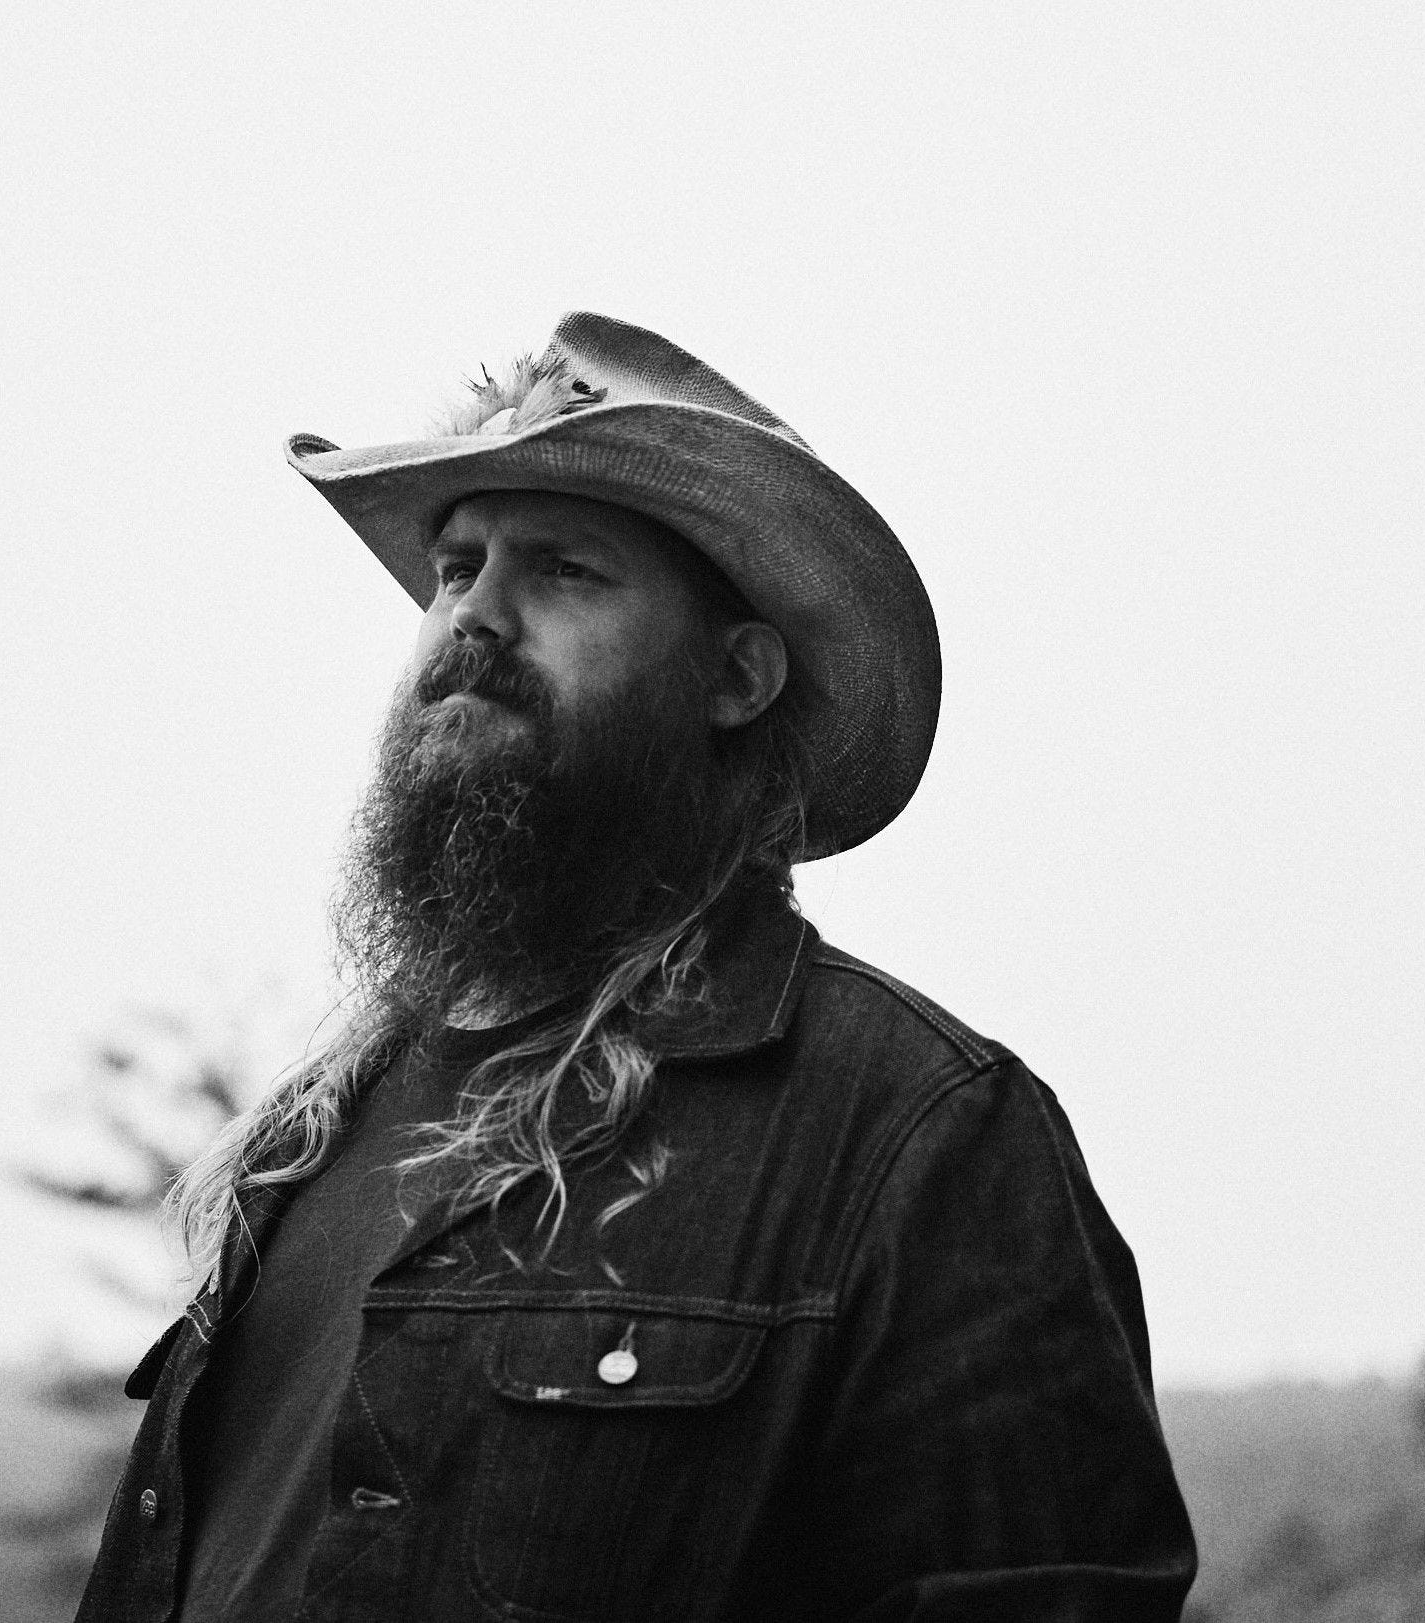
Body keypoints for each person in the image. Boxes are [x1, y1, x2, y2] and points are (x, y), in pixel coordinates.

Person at [74, 312, 1196, 1621]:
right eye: (455, 566)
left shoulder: (923, 1137)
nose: (474, 616)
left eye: (564, 570)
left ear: (737, 678)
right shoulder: (312, 1135)